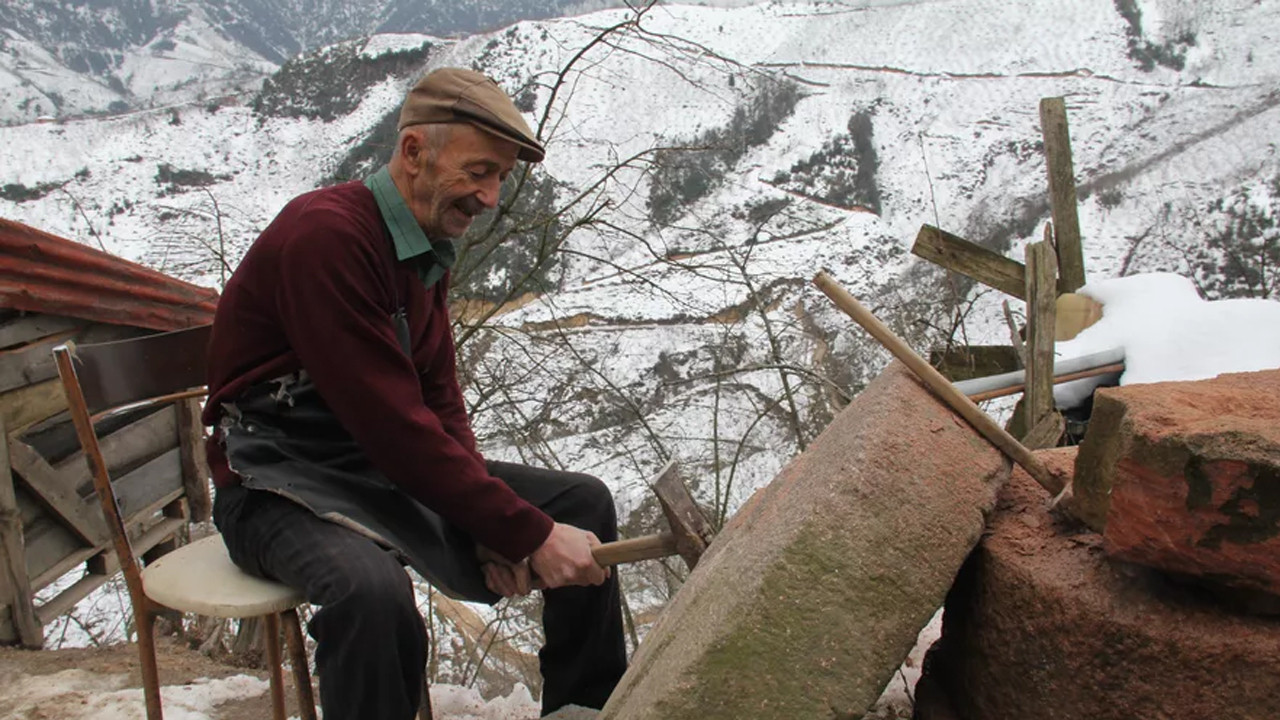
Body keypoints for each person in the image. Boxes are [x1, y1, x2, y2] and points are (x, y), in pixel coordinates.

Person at [202, 67, 627, 719]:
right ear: (413, 152)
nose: (489, 197)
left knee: (584, 503)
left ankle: (586, 710)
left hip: (371, 471)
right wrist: (524, 532)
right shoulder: (328, 237)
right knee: (368, 593)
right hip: (274, 485)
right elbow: (394, 426)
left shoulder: (421, 246)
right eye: (479, 171)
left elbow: (437, 397)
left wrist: (491, 523)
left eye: (500, 180)